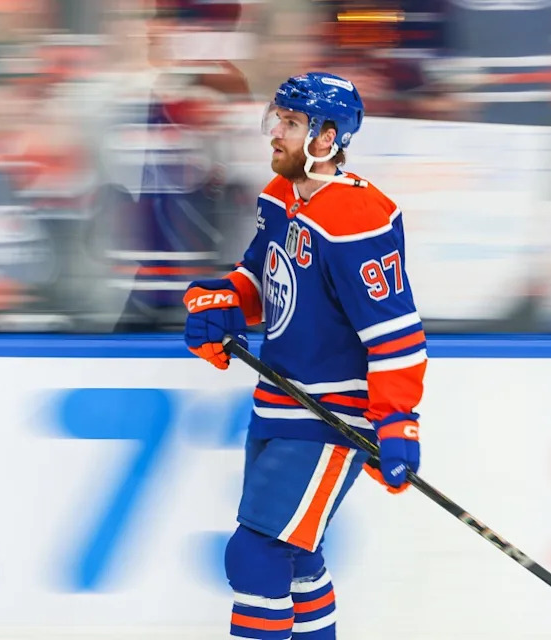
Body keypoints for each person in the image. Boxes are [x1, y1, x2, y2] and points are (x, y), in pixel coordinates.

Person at [182, 72, 427, 640]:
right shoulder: (280, 197)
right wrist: (223, 305)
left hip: (332, 416)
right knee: (295, 556)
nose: (276, 134)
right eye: (279, 120)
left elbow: (395, 334)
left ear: (326, 138)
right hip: (279, 402)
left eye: (291, 124)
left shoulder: (359, 220)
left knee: (254, 552)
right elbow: (260, 279)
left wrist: (397, 423)